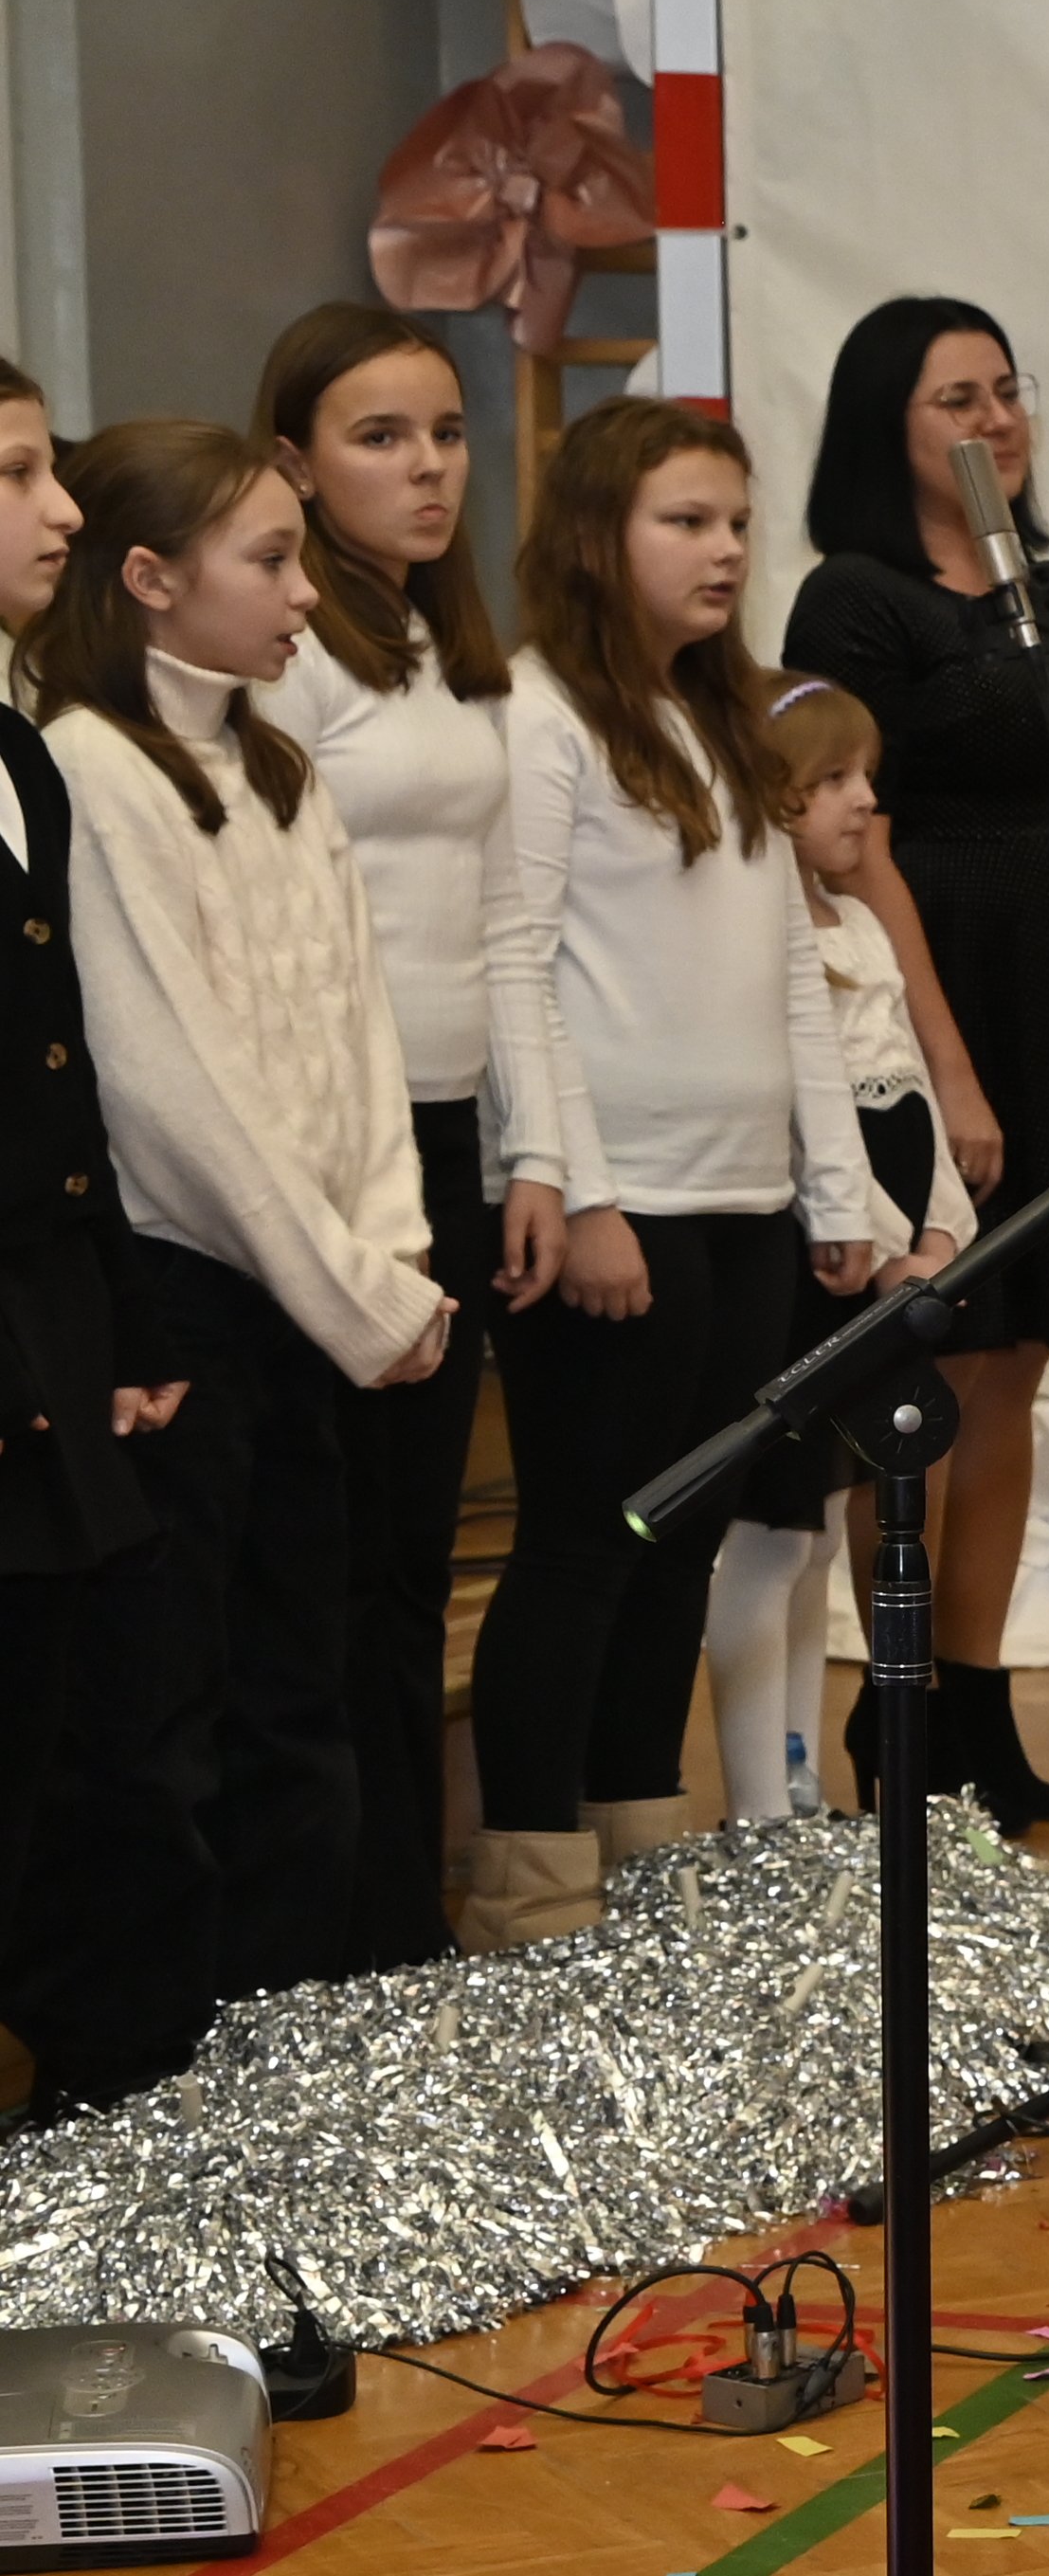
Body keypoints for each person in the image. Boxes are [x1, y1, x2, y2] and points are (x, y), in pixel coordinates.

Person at [27, 426, 452, 2048]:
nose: (303, 595)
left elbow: (357, 1036)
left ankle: (293, 2050)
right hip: (188, 1297)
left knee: (302, 1687)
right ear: (149, 579)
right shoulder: (90, 766)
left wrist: (391, 1255)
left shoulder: (277, 764)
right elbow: (170, 1086)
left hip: (321, 1292)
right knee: (171, 1704)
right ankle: (174, 2067)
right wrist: (351, 1289)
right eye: (269, 561)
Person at [466, 399, 877, 1949]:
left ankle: (640, 1861)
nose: (724, 550)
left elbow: (789, 978)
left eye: (735, 524)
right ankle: (531, 1884)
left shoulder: (723, 718)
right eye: (685, 522)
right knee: (588, 1539)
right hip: (617, 1200)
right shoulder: (539, 716)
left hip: (743, 1204)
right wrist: (572, 1188)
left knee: (681, 1544)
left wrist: (832, 1189)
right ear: (596, 538)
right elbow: (514, 962)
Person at [785, 297, 1049, 1835]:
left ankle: (980, 1703)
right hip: (942, 990)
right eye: (956, 399)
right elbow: (853, 843)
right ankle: (901, 1703)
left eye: (1006, 390)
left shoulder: (1037, 588)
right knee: (938, 1365)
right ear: (888, 426)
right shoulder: (854, 601)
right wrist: (951, 1069)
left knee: (1026, 1355)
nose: (995, 420)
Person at [260, 306, 515, 1966]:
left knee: (414, 1552)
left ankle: (401, 1910)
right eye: (380, 436)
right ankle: (338, 1926)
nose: (427, 466)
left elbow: (495, 921)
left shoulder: (437, 639)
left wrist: (520, 1153)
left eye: (444, 432)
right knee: (336, 1555)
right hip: (335, 1146)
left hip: (446, 1131)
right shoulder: (293, 650)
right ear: (292, 462)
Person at [0, 371, 203, 2111]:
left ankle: (102, 2107)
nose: (61, 511)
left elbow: (64, 1068)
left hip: (52, 1316)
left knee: (89, 1741)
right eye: (15, 475)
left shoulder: (17, 755)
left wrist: (120, 1318)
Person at [702, 676, 973, 1823]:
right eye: (833, 781)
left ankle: (802, 1782)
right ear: (771, 799)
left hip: (887, 1272)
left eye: (866, 775)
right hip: (821, 1270)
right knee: (768, 1535)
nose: (866, 800)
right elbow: (811, 1114)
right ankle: (758, 1807)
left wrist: (943, 1228)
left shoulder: (859, 926)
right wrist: (881, 1242)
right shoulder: (753, 943)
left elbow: (908, 1090)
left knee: (816, 1540)